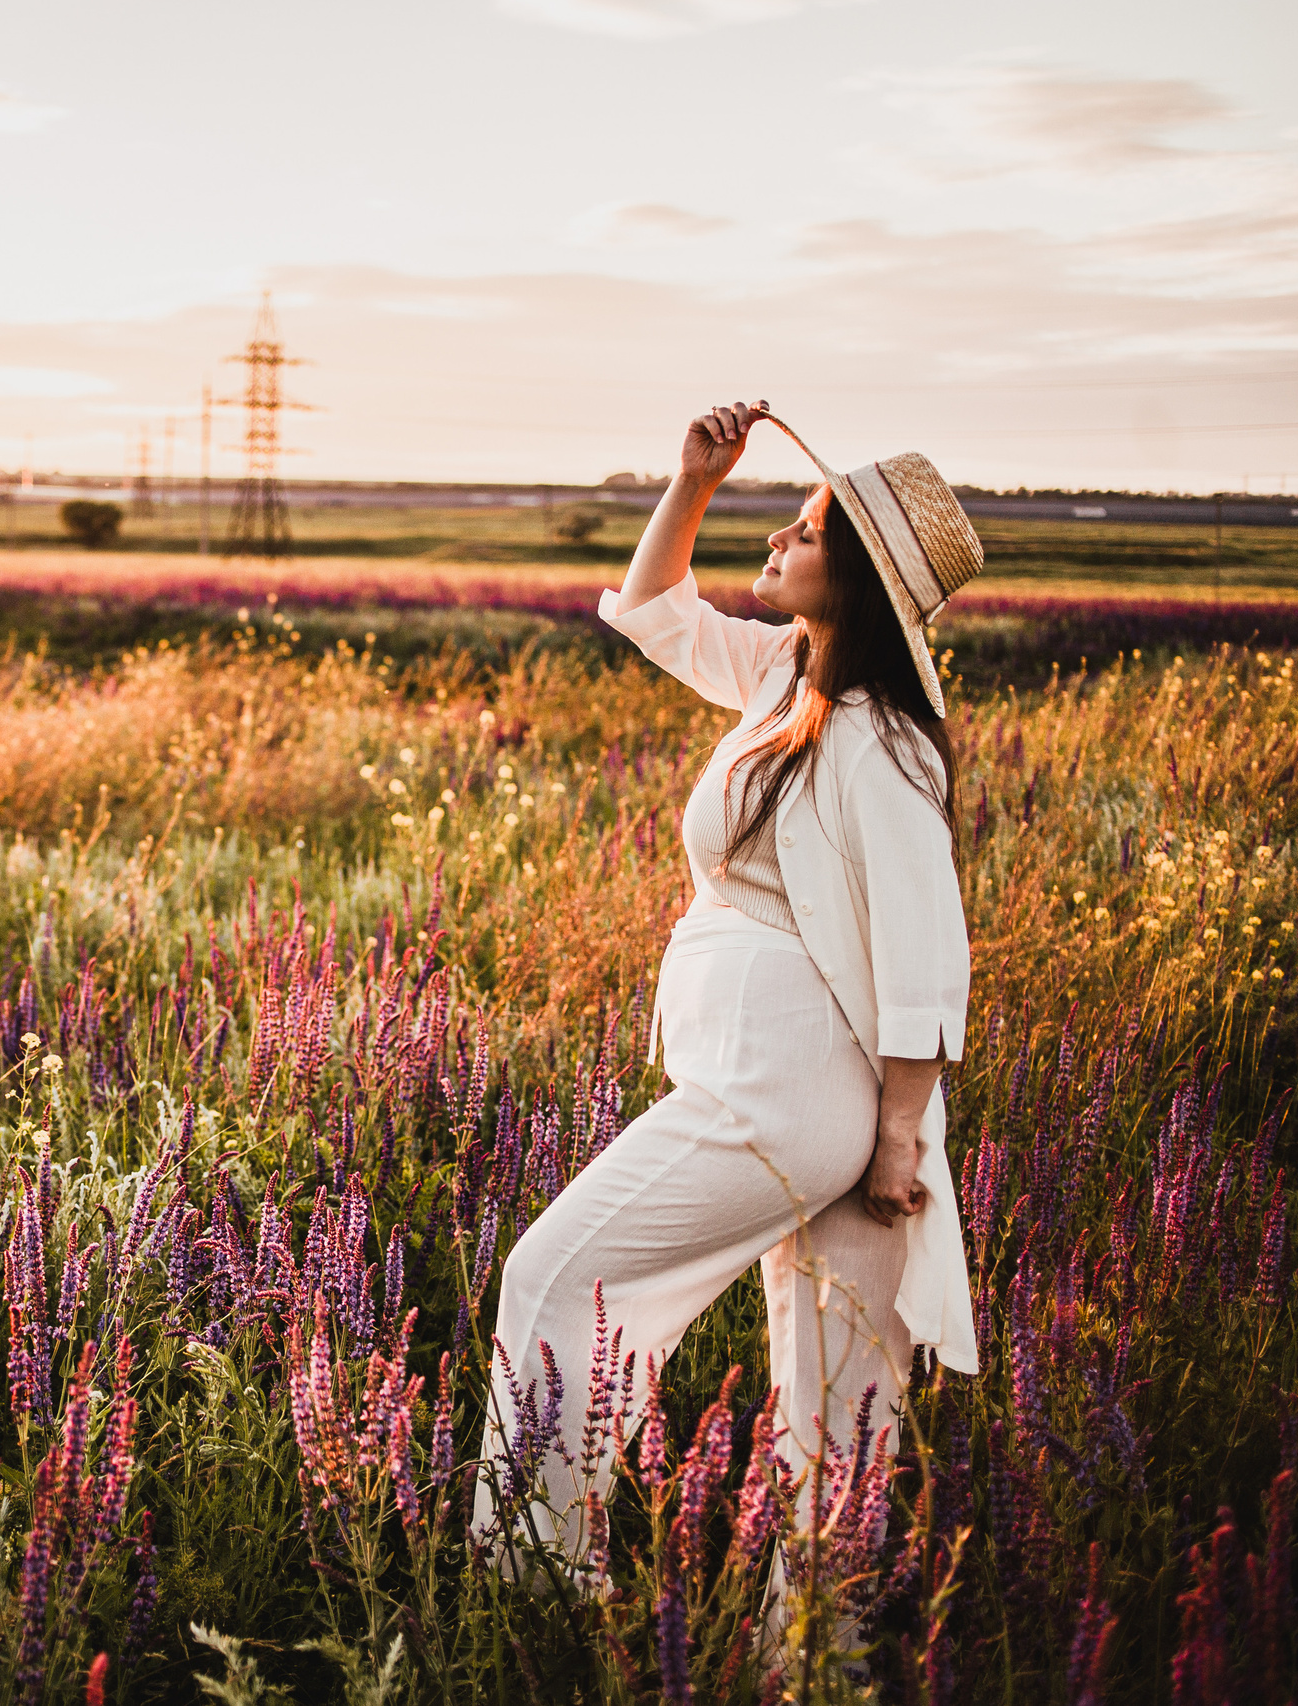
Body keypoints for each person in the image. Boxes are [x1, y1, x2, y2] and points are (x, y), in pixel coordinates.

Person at [473, 399, 985, 1578]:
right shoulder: (782, 675)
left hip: (785, 1096)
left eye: (804, 530)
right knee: (837, 1396)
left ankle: (531, 1580)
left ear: (854, 578)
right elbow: (654, 611)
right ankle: (812, 1649)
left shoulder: (880, 737)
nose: (776, 539)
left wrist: (896, 1138)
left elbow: (926, 951)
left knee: (555, 1278)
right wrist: (692, 481)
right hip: (769, 1084)